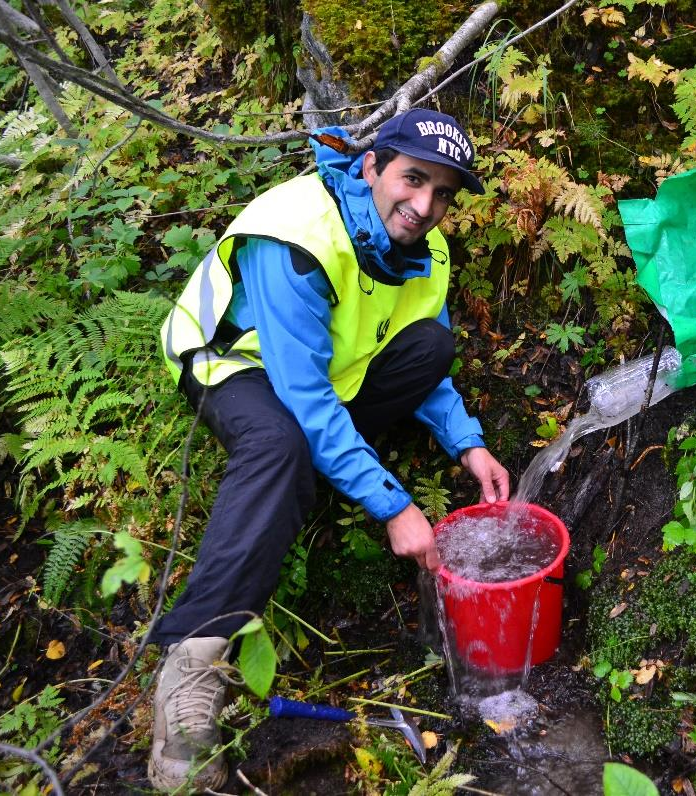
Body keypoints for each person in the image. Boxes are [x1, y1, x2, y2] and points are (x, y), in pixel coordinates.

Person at [148, 108, 509, 791]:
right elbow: (304, 396)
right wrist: (394, 505)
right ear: (372, 167)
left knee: (435, 345)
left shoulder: (425, 249)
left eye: (443, 193)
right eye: (412, 179)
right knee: (282, 444)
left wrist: (469, 446)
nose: (425, 205)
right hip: (235, 362)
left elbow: (414, 343)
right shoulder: (297, 235)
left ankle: (330, 466)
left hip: (324, 372)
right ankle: (189, 670)